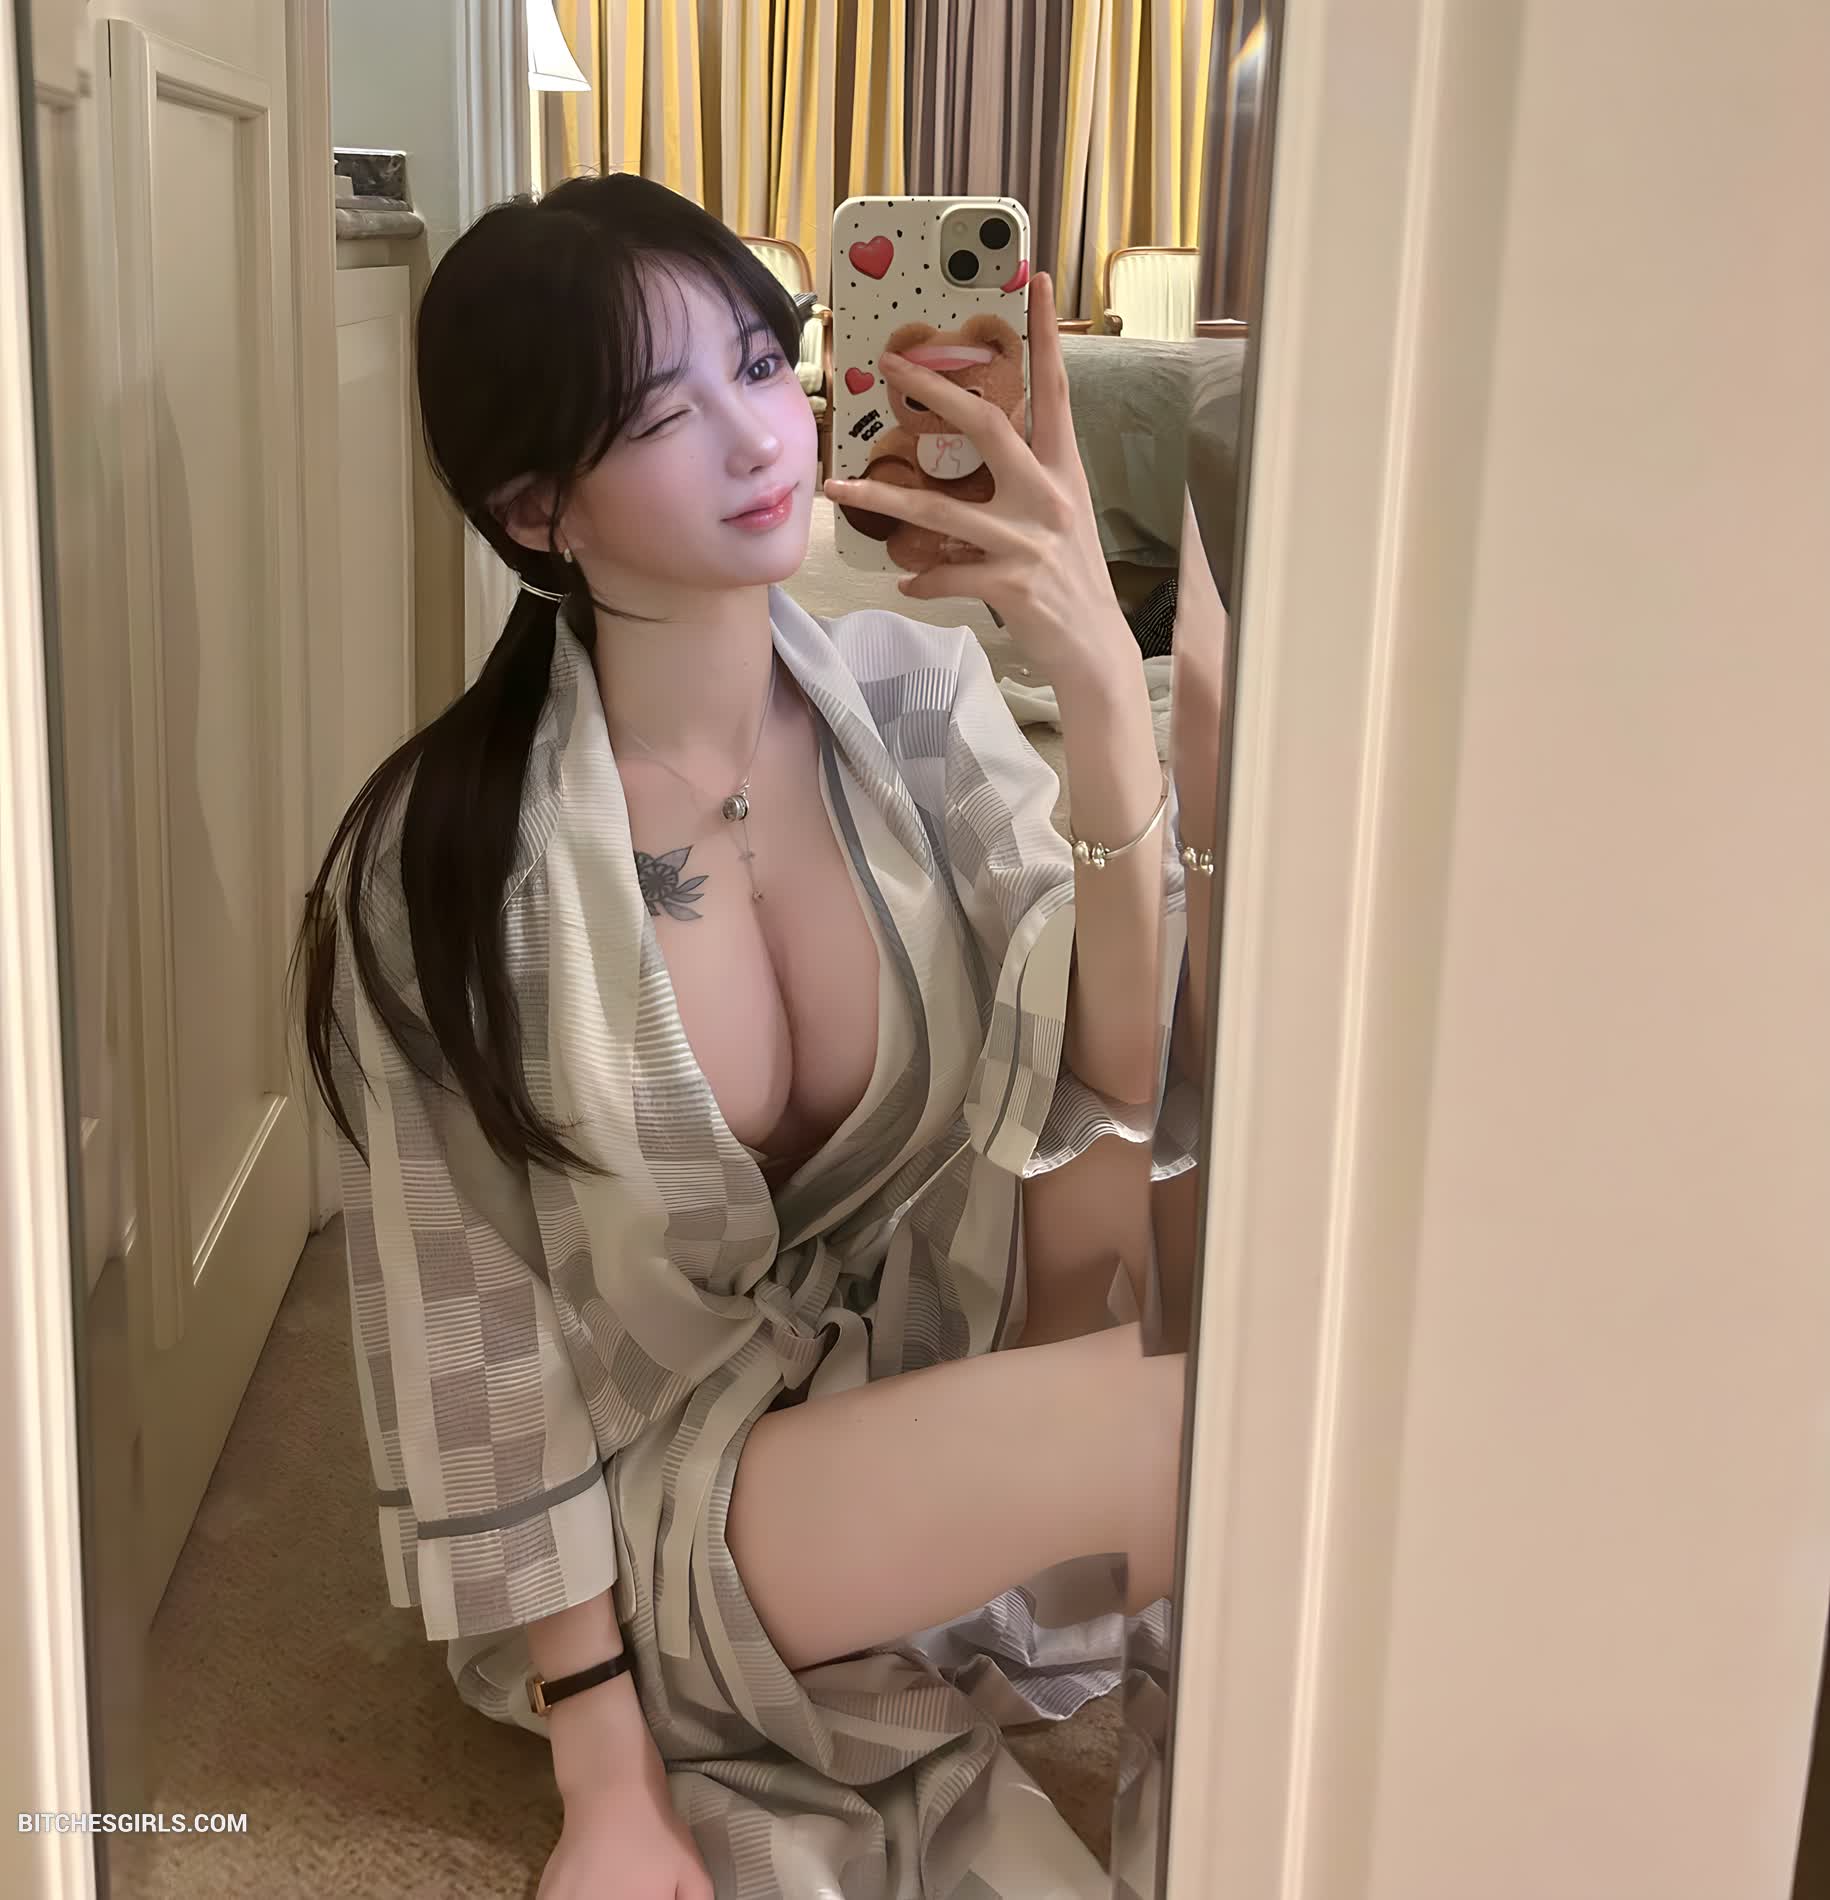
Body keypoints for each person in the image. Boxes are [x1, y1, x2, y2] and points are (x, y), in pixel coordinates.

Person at [292, 171, 1193, 1900]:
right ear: (535, 509)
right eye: (658, 413)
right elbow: (471, 1331)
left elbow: (1119, 1080)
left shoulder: (918, 703)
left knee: (1267, 1238)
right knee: (1203, 1418)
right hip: (677, 1504)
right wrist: (605, 1790)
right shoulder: (449, 864)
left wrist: (1092, 668)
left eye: (763, 363)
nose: (755, 434)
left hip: (920, 1359)